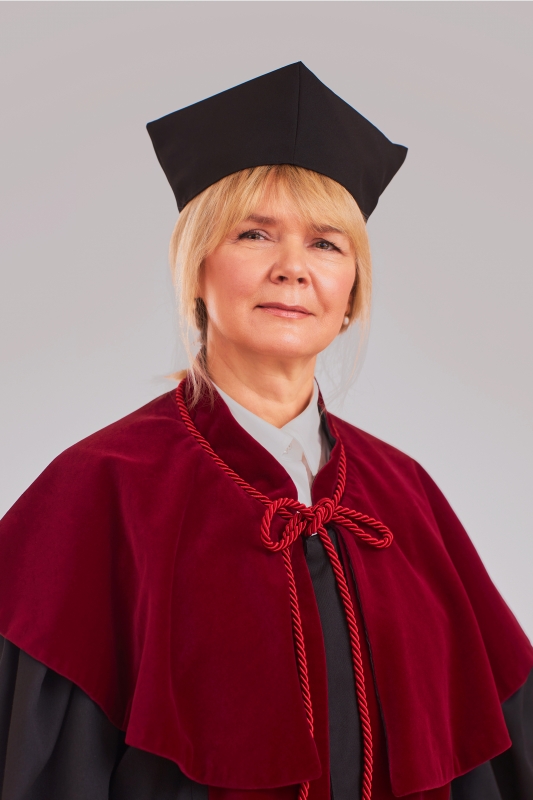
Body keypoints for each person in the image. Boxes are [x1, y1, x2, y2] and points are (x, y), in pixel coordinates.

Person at [0, 62, 531, 800]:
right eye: (254, 234)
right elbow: (45, 766)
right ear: (197, 268)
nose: (292, 269)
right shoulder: (98, 487)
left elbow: (489, 754)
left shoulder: (405, 494)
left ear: (350, 291)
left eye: (325, 244)